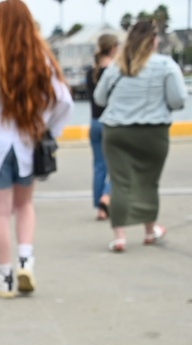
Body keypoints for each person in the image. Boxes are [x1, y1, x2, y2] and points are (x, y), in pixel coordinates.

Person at [0, 0, 72, 299]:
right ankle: (25, 261)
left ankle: (4, 278)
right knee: (24, 205)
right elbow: (64, 100)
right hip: (26, 144)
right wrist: (49, 131)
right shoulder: (41, 58)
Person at [93, 20, 186, 253]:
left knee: (120, 182)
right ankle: (149, 231)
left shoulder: (117, 66)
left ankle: (120, 237)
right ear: (154, 41)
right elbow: (178, 100)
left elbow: (100, 99)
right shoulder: (166, 65)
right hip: (153, 132)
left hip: (117, 131)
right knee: (148, 182)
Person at [85, 33, 119, 221]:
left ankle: (100, 207)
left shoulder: (91, 72)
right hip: (110, 123)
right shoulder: (114, 72)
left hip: (94, 123)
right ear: (113, 48)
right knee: (118, 165)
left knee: (99, 166)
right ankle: (107, 196)